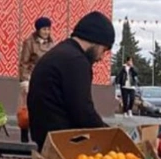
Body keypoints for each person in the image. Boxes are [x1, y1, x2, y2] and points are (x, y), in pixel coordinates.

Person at [26, 11, 115, 151]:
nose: (101, 58)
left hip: (46, 138)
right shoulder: (76, 61)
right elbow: (83, 112)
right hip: (62, 143)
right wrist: (111, 136)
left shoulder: (61, 52)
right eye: (104, 50)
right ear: (96, 41)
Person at [18, 18, 54, 143]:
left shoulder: (51, 44)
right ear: (38, 29)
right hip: (31, 78)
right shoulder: (29, 42)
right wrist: (24, 80)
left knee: (43, 109)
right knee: (27, 108)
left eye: (48, 29)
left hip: (46, 80)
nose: (46, 32)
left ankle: (39, 136)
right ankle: (24, 133)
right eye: (44, 29)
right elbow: (24, 62)